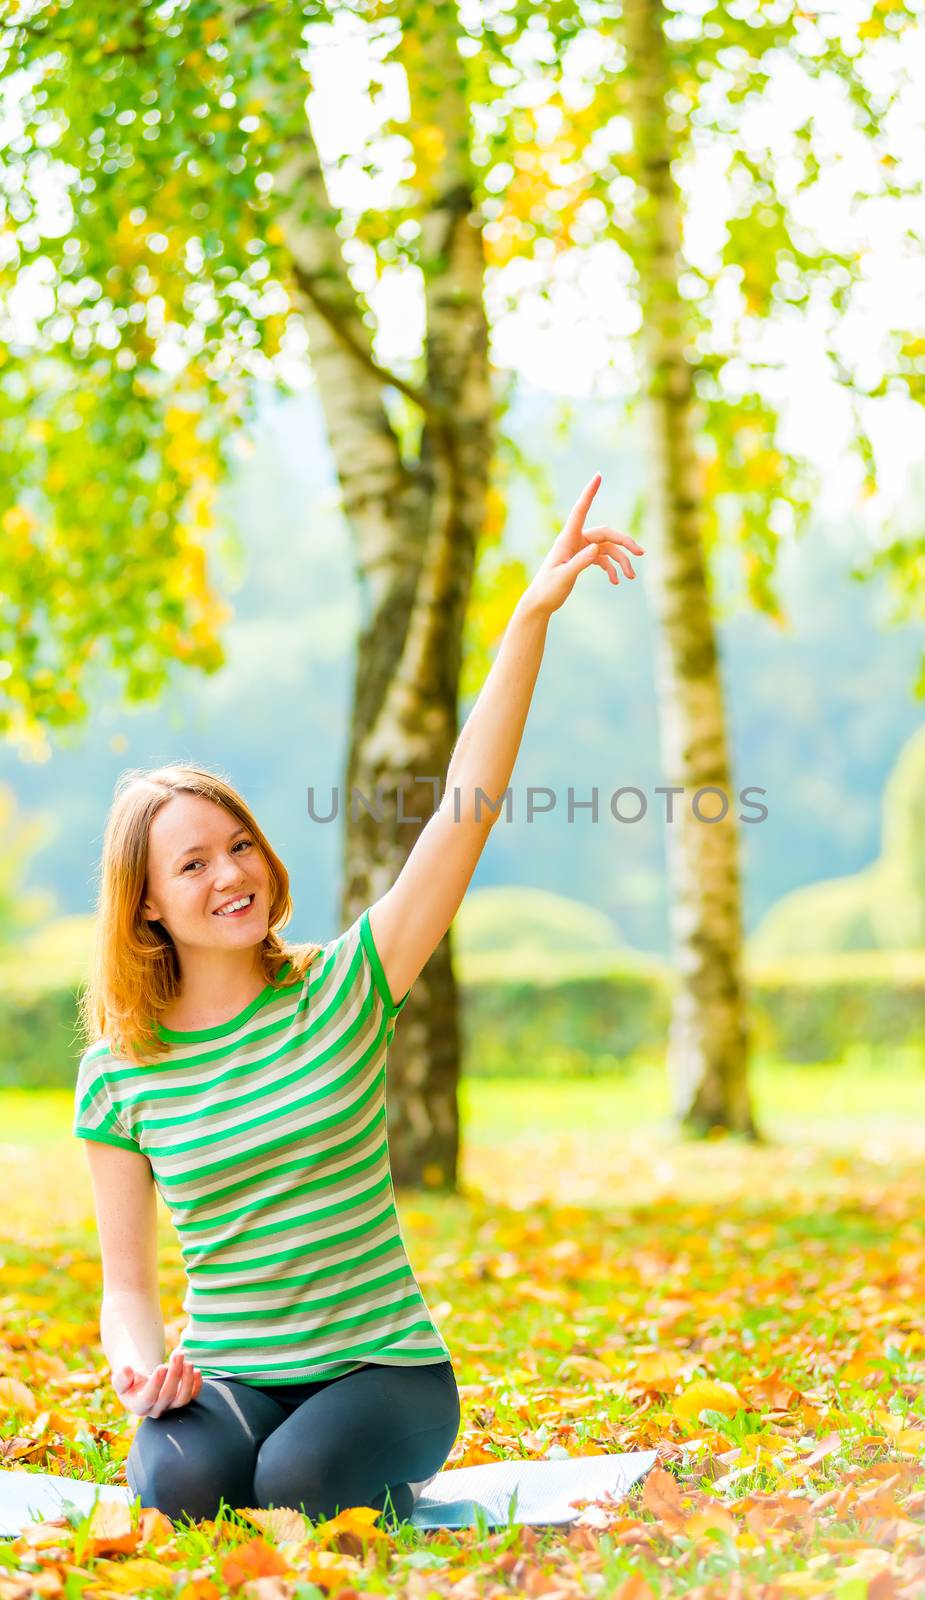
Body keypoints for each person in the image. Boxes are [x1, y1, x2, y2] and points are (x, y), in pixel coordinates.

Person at [72, 475, 643, 1526]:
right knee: (181, 1484)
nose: (230, 872)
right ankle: (218, 1441)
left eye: (238, 843)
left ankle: (359, 1454)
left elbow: (461, 817)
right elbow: (128, 1285)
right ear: (146, 905)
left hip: (384, 1373)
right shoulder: (118, 1072)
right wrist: (141, 1374)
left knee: (297, 1485)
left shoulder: (345, 986)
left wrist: (528, 619)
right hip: (233, 1376)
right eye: (191, 865)